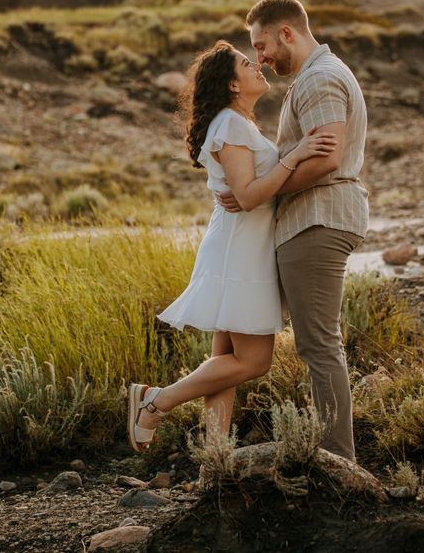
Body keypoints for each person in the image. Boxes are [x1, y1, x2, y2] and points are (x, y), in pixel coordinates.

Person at [127, 40, 337, 452]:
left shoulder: (237, 122)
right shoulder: (232, 124)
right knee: (254, 362)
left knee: (224, 363)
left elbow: (245, 193)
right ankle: (155, 401)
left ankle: (214, 460)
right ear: (232, 84)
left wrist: (276, 167)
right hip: (240, 251)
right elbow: (247, 195)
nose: (257, 64)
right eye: (246, 62)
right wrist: (294, 158)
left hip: (241, 243)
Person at [218, 0, 368, 463]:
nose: (260, 58)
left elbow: (327, 156)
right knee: (244, 336)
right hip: (312, 219)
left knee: (319, 344)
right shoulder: (314, 77)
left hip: (317, 218)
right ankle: (210, 443)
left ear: (287, 33)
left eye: (261, 46)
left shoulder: (319, 78)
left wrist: (265, 188)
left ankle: (338, 459)